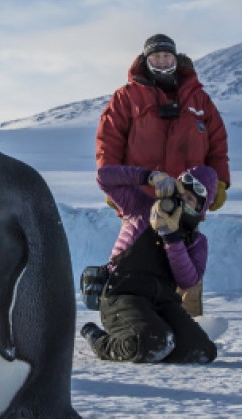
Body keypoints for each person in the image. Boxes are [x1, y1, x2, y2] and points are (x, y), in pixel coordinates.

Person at [96, 33, 231, 315]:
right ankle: (130, 316)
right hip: (142, 195)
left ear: (175, 58)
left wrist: (219, 183)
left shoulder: (198, 99)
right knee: (139, 256)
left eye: (166, 56)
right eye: (155, 56)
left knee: (185, 264)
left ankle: (189, 322)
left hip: (189, 200)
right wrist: (118, 181)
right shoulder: (127, 97)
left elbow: (217, 143)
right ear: (146, 60)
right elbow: (108, 142)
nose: (162, 61)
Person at [81, 164, 218, 365]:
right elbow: (104, 178)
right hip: (122, 295)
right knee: (152, 343)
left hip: (163, 303)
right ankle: (98, 338)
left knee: (201, 351)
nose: (182, 201)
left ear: (201, 209)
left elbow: (187, 280)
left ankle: (154, 338)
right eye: (182, 193)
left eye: (191, 199)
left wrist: (171, 237)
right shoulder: (140, 206)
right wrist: (149, 177)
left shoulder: (196, 241)